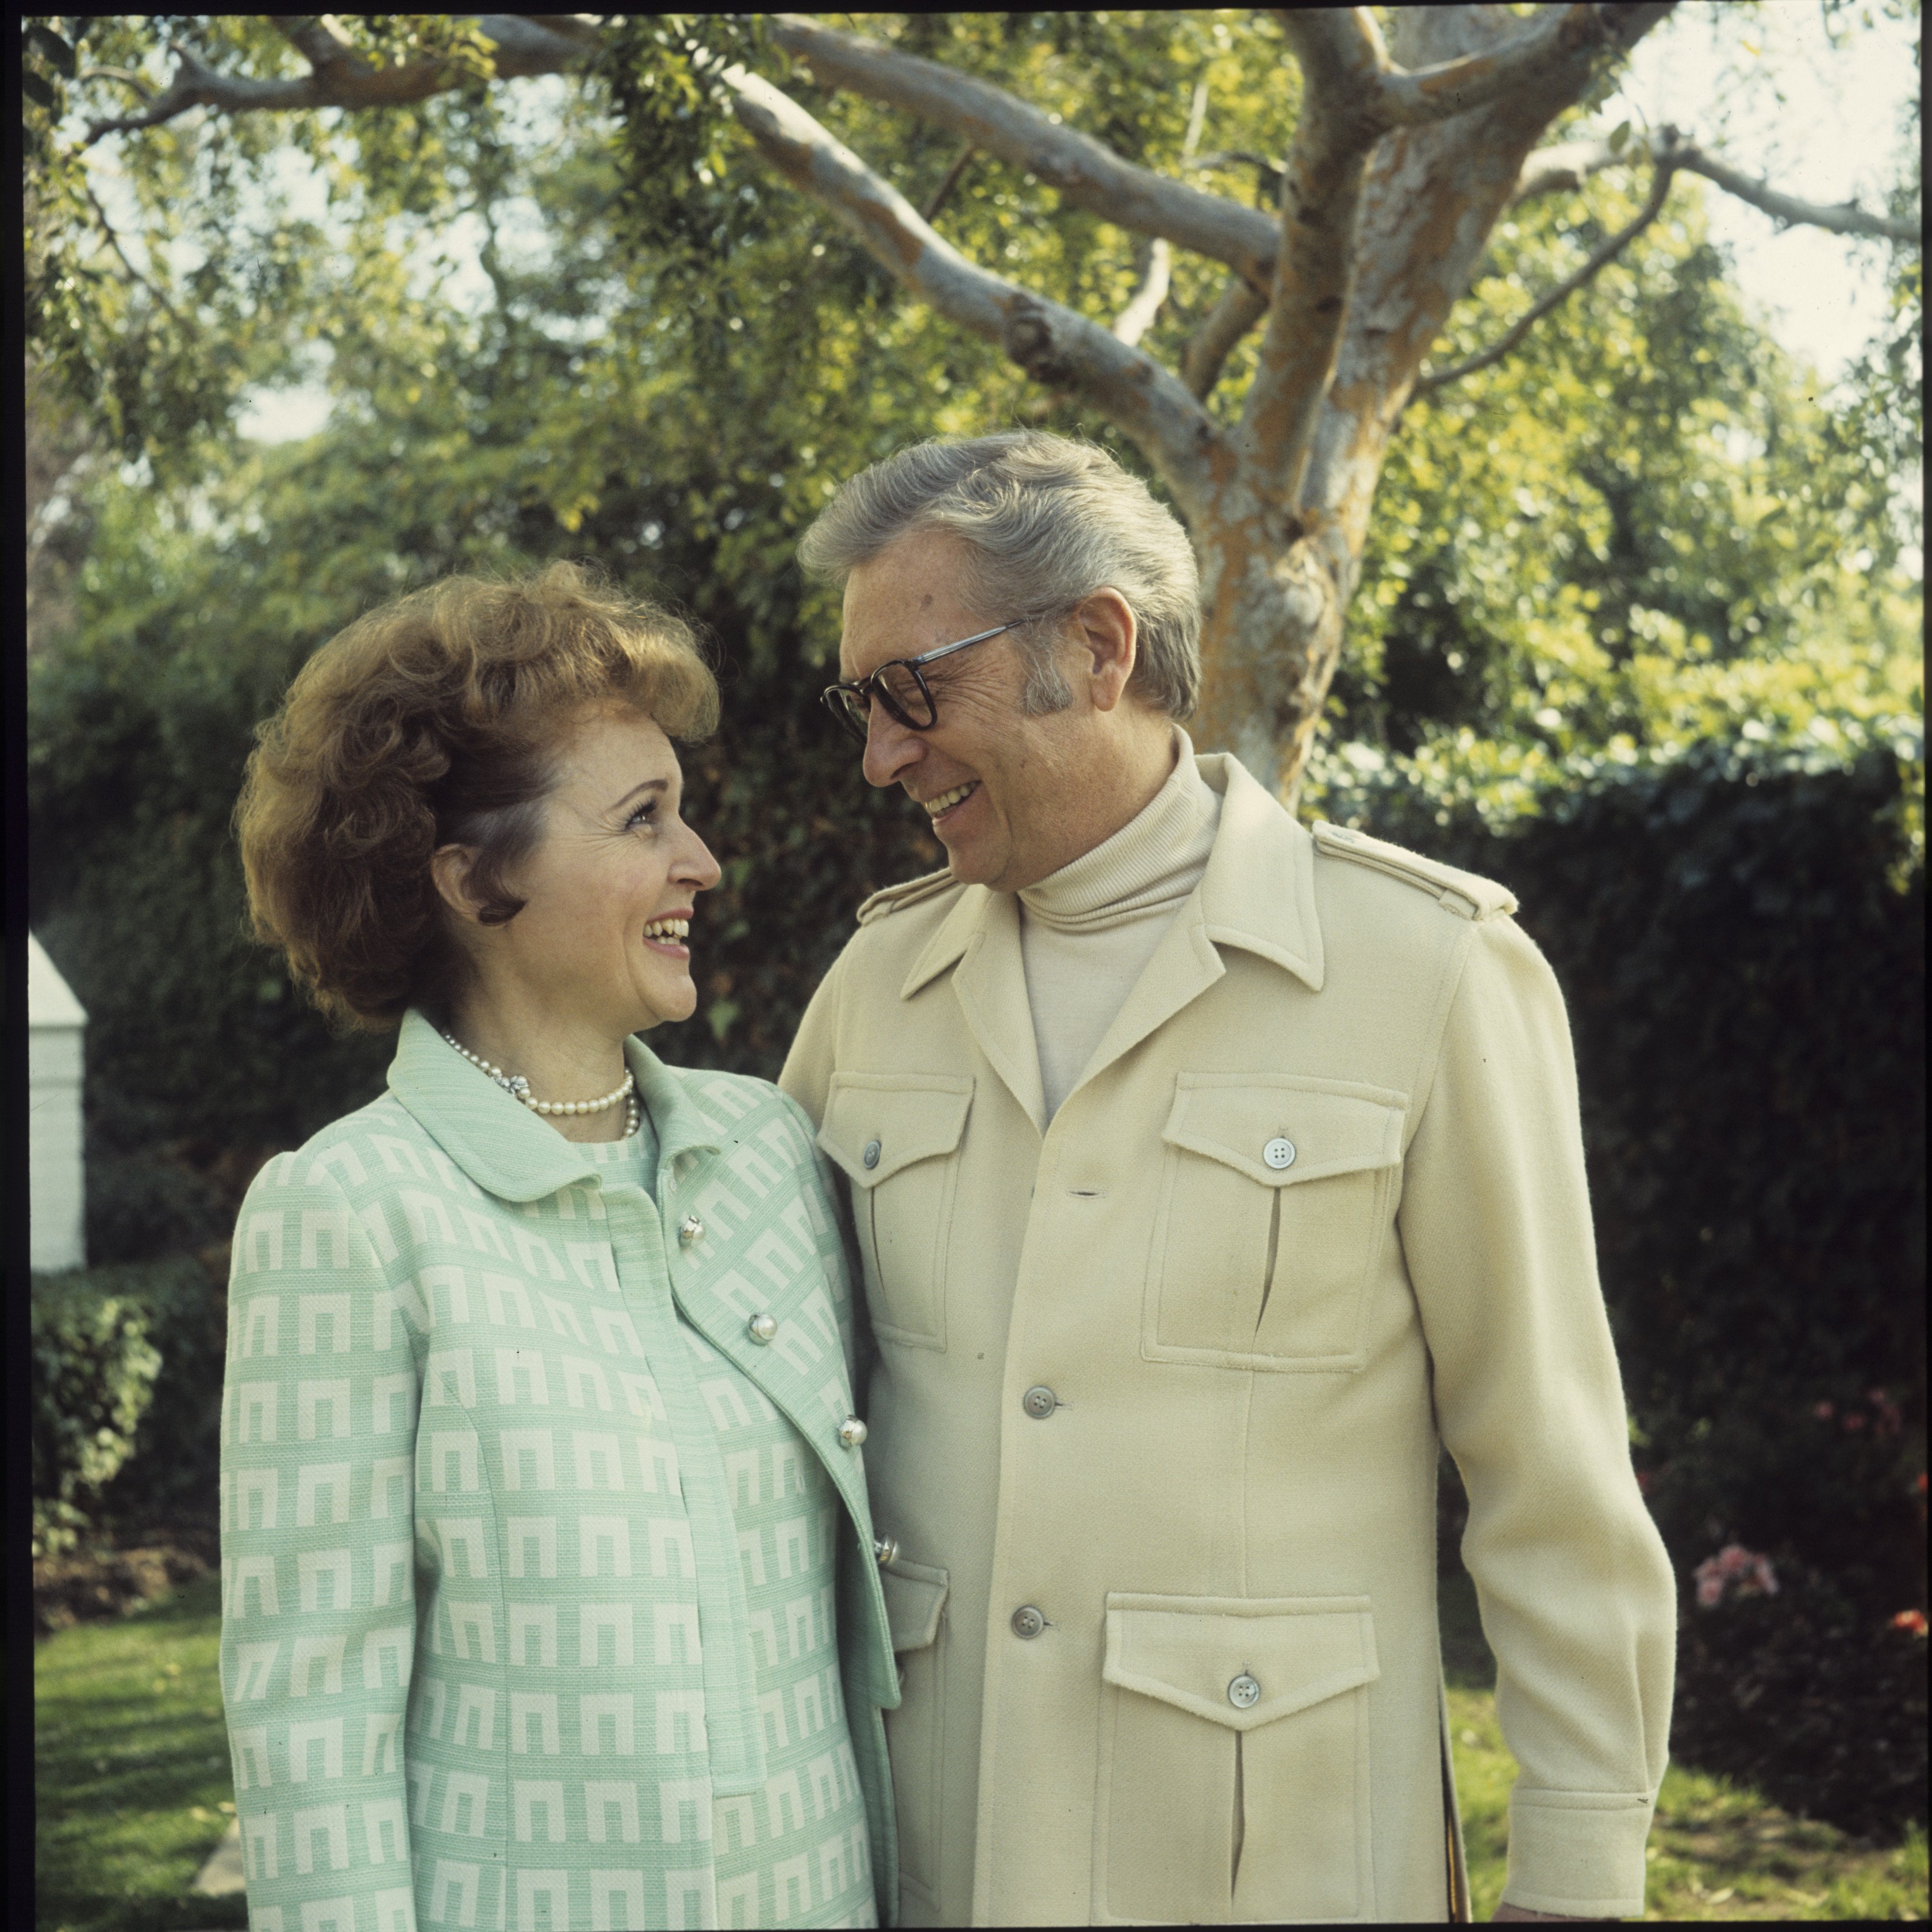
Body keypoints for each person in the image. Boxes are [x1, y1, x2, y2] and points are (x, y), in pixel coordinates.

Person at [778, 432, 1677, 1926]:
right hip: (924, 1856)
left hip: (1285, 1869)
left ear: (1098, 643)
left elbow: (1550, 1473)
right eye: (861, 707)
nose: (881, 755)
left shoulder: (1429, 971)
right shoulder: (876, 985)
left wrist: (1579, 1876)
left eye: (911, 694)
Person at [221, 564, 898, 1931]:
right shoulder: (350, 1213)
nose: (700, 861)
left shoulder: (770, 1152)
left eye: (684, 813)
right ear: (475, 880)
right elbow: (314, 1738)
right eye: (643, 819)